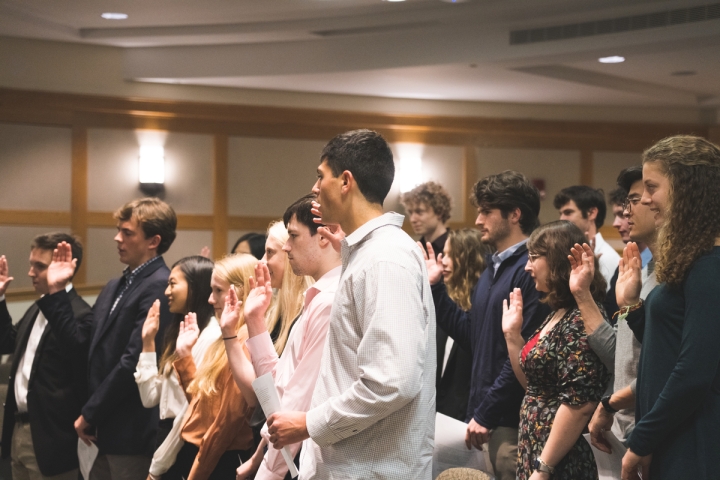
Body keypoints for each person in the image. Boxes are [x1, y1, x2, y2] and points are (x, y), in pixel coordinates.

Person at [265, 129, 436, 479]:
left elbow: (392, 382)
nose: (314, 188)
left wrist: (309, 423)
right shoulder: (367, 254)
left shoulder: (385, 257)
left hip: (372, 470)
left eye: (320, 176)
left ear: (345, 181)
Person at [423, 170, 549, 480]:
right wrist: (436, 288)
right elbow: (472, 337)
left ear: (514, 214)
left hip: (509, 424)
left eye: (486, 211)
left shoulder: (528, 270)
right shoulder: (493, 268)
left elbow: (522, 353)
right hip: (484, 420)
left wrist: (486, 412)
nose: (478, 220)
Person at [39, 198, 176, 479]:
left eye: (127, 232)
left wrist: (90, 413)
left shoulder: (161, 284)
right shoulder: (116, 284)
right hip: (102, 430)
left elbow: (132, 360)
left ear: (154, 240)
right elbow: (81, 346)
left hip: (130, 432)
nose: (117, 238)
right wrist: (57, 291)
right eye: (118, 230)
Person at [618, 135, 720, 480]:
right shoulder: (694, 260)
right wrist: (632, 305)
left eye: (652, 187)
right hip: (673, 437)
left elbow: (694, 372)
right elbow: (666, 346)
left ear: (686, 188)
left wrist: (642, 440)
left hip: (695, 443)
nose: (646, 200)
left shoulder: (710, 265)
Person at [226, 193, 342, 480]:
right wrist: (254, 320)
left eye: (293, 236)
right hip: (293, 460)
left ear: (324, 237)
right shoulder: (316, 297)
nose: (286, 246)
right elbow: (277, 390)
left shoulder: (329, 302)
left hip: (307, 462)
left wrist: (267, 473)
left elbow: (294, 407)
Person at [502, 220, 610, 480]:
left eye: (534, 258)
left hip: (562, 459)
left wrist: (544, 468)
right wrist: (512, 336)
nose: (528, 266)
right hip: (538, 449)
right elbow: (534, 388)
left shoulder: (581, 317)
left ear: (558, 260)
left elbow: (580, 404)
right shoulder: (559, 312)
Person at [0, 234, 92, 480]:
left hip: (51, 438)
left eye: (39, 266)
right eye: (32, 264)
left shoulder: (81, 314)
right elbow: (6, 342)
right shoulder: (36, 307)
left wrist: (56, 294)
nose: (31, 273)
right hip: (18, 431)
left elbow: (79, 359)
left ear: (66, 268)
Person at [165, 253, 258, 480]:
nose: (210, 299)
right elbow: (202, 408)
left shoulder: (244, 339)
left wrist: (197, 473)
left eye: (218, 291)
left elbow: (226, 425)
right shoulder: (226, 337)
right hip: (207, 455)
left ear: (241, 292)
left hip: (221, 460)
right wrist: (185, 355)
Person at [587, 165, 659, 450]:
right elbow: (621, 354)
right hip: (626, 429)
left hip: (653, 434)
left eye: (636, 199)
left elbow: (671, 369)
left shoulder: (682, 273)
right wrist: (582, 294)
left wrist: (609, 404)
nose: (626, 212)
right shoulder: (640, 269)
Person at [134, 256, 220, 480]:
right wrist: (148, 342)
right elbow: (149, 398)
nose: (166, 292)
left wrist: (157, 466)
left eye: (173, 284)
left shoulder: (210, 336)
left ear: (195, 286)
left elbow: (188, 413)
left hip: (184, 444)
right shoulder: (182, 332)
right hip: (166, 437)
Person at [401, 181, 455, 397]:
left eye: (420, 212)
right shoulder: (412, 248)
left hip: (448, 328)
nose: (413, 218)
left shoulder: (456, 247)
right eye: (411, 212)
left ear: (439, 211)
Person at [433, 228, 489, 421]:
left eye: (452, 255)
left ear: (470, 260)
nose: (444, 261)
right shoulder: (445, 303)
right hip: (440, 411)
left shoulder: (481, 304)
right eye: (444, 254)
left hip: (467, 416)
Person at [554, 185, 620, 289]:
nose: (562, 219)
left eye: (568, 212)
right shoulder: (566, 251)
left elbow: (604, 303)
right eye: (561, 213)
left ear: (591, 213)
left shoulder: (608, 258)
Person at [263, 221, 313, 355]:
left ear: (289, 253)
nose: (262, 261)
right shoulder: (273, 314)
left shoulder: (309, 312)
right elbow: (259, 374)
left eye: (269, 252)